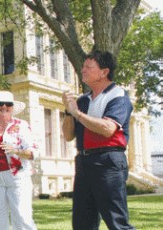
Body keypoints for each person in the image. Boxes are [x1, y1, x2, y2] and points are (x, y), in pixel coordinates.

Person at [62, 50, 135, 230]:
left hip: (107, 161)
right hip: (84, 161)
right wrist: (68, 111)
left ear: (104, 72)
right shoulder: (83, 100)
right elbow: (68, 135)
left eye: (89, 67)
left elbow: (108, 128)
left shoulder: (118, 96)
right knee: (82, 223)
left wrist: (77, 113)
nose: (83, 70)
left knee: (116, 221)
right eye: (83, 66)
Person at [0, 91, 38, 230]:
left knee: (22, 217)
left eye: (8, 104)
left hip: (18, 177)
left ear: (12, 108)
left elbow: (34, 152)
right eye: (0, 103)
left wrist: (16, 150)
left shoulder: (21, 125)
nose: (4, 106)